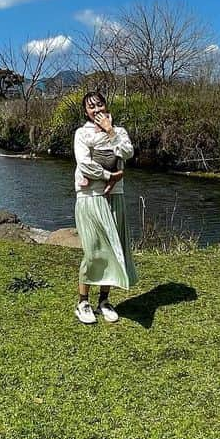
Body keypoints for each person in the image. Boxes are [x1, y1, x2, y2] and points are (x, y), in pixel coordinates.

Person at [73, 90, 137, 324]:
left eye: (99, 105)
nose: (96, 110)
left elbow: (128, 153)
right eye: (91, 107)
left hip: (115, 197)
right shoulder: (82, 134)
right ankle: (82, 302)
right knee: (93, 250)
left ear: (106, 105)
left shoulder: (119, 132)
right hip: (90, 197)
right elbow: (84, 164)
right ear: (86, 112)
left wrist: (110, 132)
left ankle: (104, 301)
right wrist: (111, 176)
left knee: (113, 247)